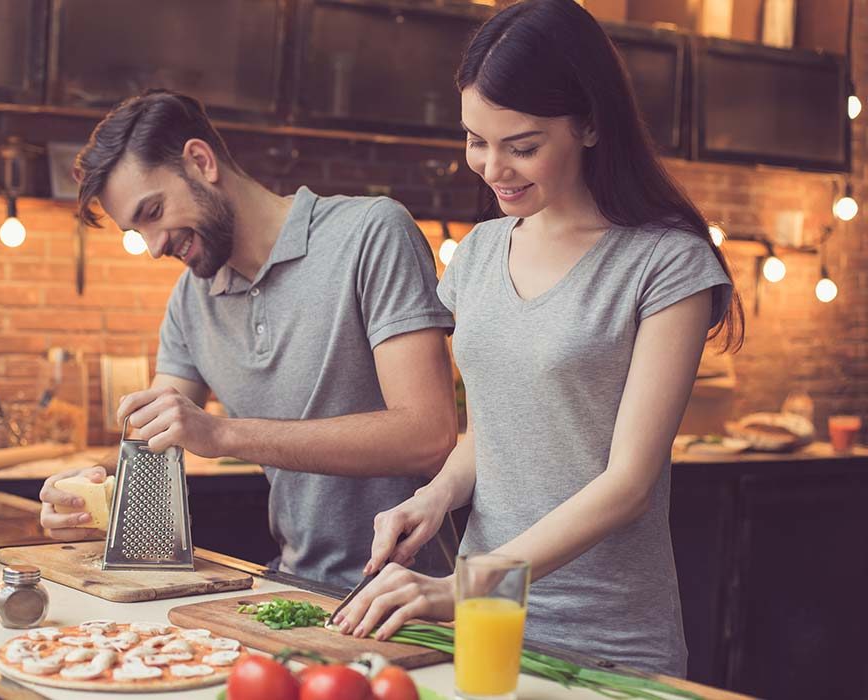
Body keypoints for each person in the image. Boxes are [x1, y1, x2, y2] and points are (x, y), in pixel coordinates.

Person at [334, 0, 744, 676]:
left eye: (521, 146)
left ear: (589, 124)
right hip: (486, 625)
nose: (494, 167)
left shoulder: (667, 264)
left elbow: (628, 483)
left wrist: (460, 587)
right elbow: (495, 430)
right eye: (475, 140)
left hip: (606, 640)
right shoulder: (477, 254)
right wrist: (433, 497)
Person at [37, 90, 460, 588]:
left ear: (200, 161)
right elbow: (152, 437)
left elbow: (428, 436)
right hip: (292, 584)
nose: (153, 248)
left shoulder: (370, 233)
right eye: (136, 229)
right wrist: (87, 487)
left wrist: (221, 434)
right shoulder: (190, 300)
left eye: (153, 213)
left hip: (411, 593)